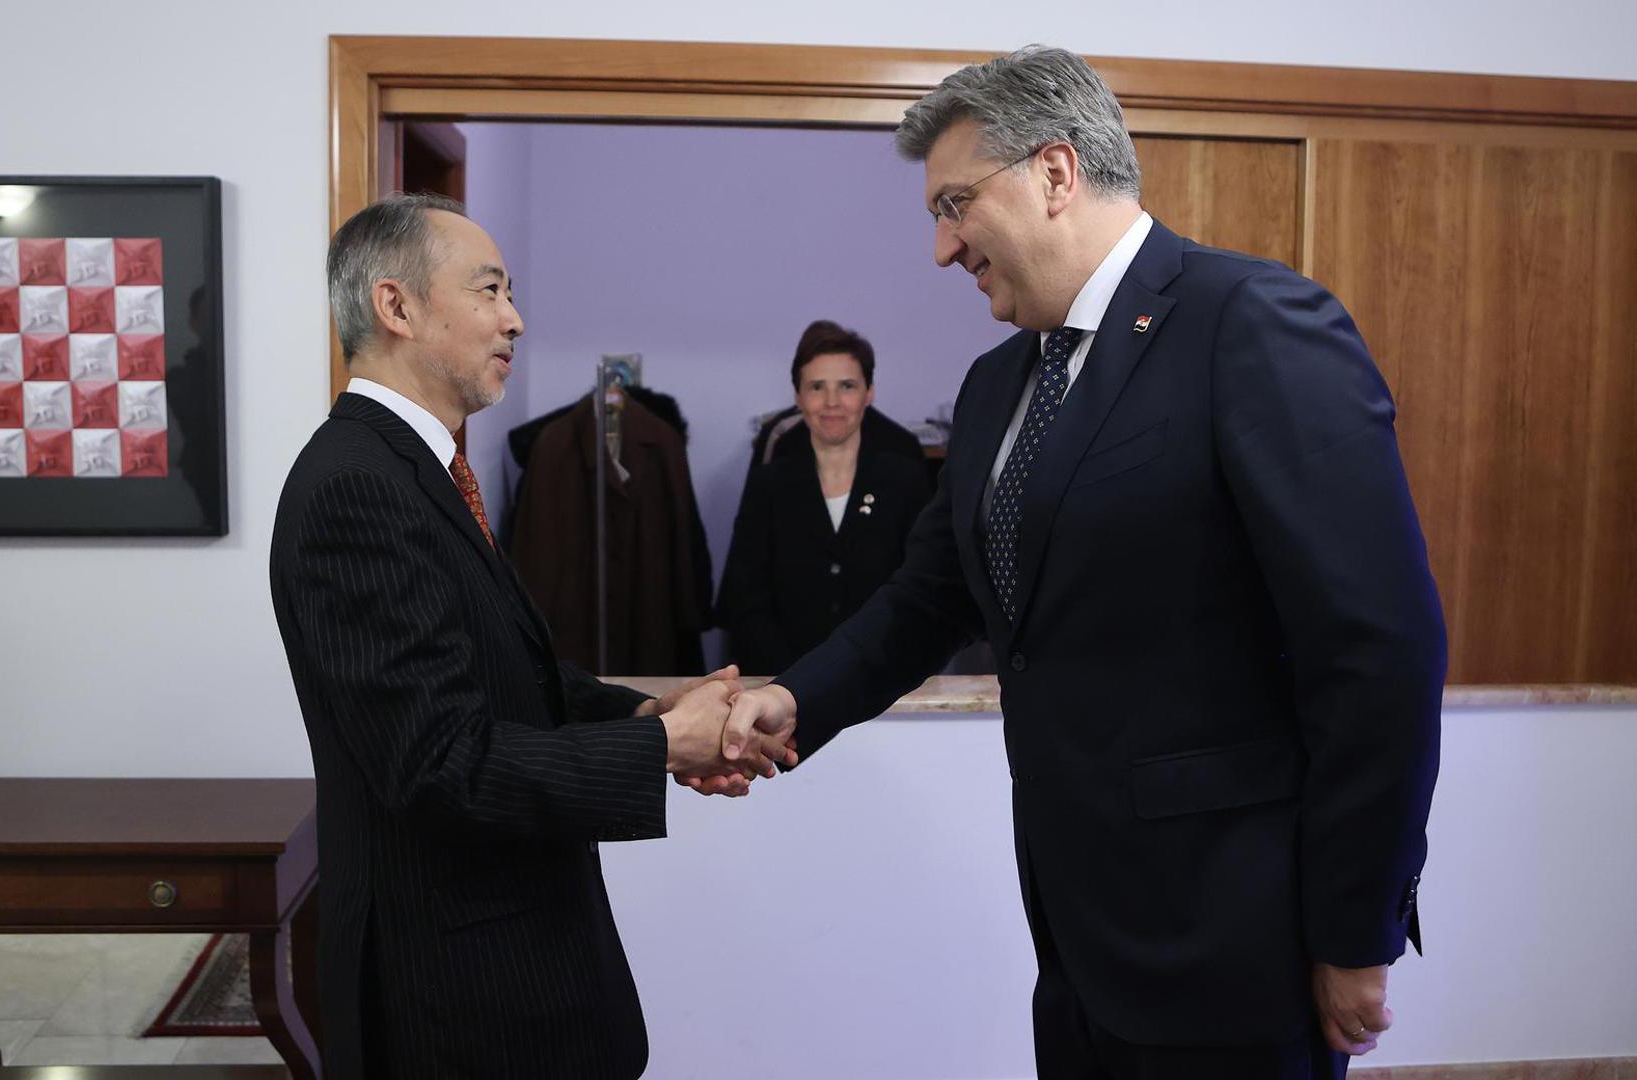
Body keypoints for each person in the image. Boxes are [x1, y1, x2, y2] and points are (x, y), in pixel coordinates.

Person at [711, 46, 1445, 1079]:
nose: (939, 247)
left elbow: (1378, 653)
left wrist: (1355, 927)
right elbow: (932, 595)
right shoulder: (994, 384)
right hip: (1074, 943)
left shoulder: (1254, 325)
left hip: (1235, 943)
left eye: (956, 203)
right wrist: (799, 696)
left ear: (1056, 173)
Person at [269, 194, 789, 1080]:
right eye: (489, 290)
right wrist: (662, 746)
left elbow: (513, 679)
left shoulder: (419, 471)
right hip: (457, 1000)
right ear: (396, 307)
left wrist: (659, 716)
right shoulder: (356, 487)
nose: (514, 318)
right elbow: (440, 762)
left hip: (510, 976)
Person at [715, 319, 931, 674]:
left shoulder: (904, 479)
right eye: (817, 387)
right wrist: (792, 684)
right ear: (799, 397)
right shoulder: (769, 484)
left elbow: (920, 589)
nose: (832, 402)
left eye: (847, 386)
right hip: (783, 685)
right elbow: (746, 597)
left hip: (883, 681)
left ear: (869, 393)